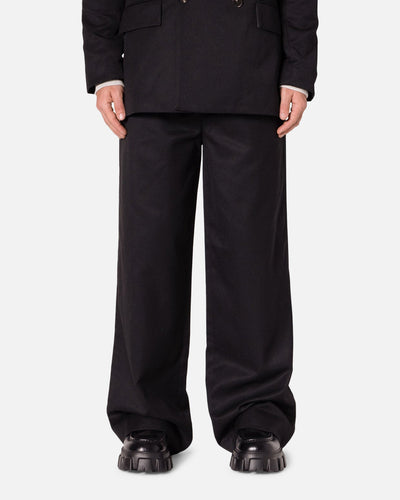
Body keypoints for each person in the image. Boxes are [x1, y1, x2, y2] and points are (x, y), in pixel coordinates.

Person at [82, 0, 318, 473]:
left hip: (252, 63)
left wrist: (298, 67)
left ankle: (256, 413)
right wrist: (104, 65)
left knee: (252, 255)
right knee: (148, 254)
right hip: (151, 60)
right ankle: (147, 416)